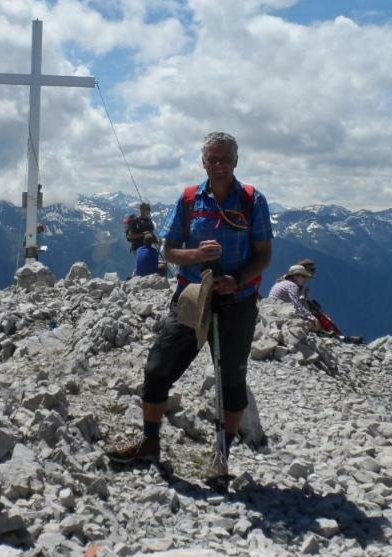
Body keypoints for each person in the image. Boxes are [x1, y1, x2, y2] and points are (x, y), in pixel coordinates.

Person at [106, 132, 273, 484]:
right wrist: (196, 256)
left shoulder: (252, 200)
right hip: (192, 295)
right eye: (212, 159)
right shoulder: (189, 199)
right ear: (203, 162)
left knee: (231, 380)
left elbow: (264, 255)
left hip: (237, 301)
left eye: (225, 159)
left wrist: (237, 280)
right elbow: (169, 251)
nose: (218, 165)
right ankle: (150, 442)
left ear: (235, 162)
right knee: (157, 368)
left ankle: (221, 457)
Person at [269, 261, 321, 331]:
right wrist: (312, 317)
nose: (304, 279)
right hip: (277, 313)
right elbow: (297, 305)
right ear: (295, 276)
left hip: (271, 310)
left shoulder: (281, 282)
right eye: (303, 276)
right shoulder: (292, 285)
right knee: (311, 323)